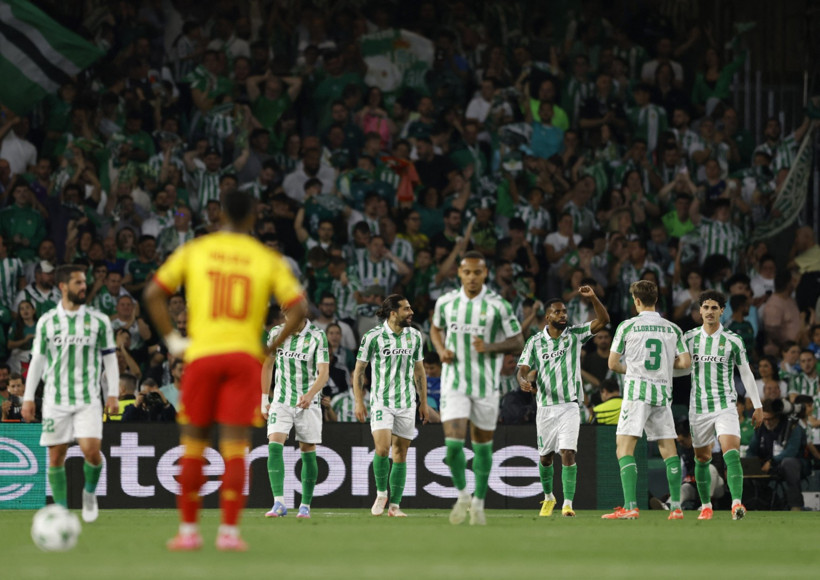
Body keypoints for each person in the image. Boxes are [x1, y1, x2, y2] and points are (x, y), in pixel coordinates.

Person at [144, 190, 307, 551]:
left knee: (193, 447)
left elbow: (154, 292)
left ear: (218, 216)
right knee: (235, 448)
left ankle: (188, 532)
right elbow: (298, 308)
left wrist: (173, 341)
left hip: (202, 356)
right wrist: (269, 348)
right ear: (252, 217)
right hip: (242, 360)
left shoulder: (196, 249)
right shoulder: (265, 258)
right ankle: (229, 534)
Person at [430, 250, 524, 525]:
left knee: (483, 449)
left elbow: (518, 341)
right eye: (467, 272)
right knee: (452, 446)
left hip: (486, 385)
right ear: (459, 273)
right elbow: (436, 328)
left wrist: (491, 347)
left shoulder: (499, 305)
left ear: (485, 274)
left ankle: (480, 504)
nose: (472, 277)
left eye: (477, 272)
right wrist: (441, 349)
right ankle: (462, 495)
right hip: (454, 383)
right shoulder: (446, 302)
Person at [21, 264, 119, 523]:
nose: (84, 286)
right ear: (63, 287)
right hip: (55, 398)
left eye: (84, 282)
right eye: (78, 282)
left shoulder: (98, 321)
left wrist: (113, 394)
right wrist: (29, 396)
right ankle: (62, 510)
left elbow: (110, 358)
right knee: (56, 455)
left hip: (88, 398)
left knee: (91, 452)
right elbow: (38, 361)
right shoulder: (47, 321)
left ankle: (89, 493)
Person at [517, 286, 609, 517]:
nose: (563, 316)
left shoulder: (575, 334)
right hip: (546, 407)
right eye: (558, 312)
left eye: (565, 312)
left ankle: (568, 503)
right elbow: (523, 369)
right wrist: (523, 380)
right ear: (548, 317)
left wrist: (593, 298)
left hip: (570, 405)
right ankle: (549, 497)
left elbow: (604, 320)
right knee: (545, 457)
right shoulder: (535, 342)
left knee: (568, 452)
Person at [603, 280, 691, 520]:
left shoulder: (627, 326)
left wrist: (633, 369)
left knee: (624, 449)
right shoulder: (673, 328)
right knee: (668, 448)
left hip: (637, 394)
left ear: (637, 301)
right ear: (657, 299)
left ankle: (630, 505)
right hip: (662, 393)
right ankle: (676, 508)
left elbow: (612, 363)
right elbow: (685, 363)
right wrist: (663, 367)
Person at [681, 290, 763, 520]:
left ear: (721, 311)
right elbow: (679, 366)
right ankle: (706, 505)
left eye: (714, 308)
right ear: (699, 311)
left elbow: (746, 373)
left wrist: (757, 405)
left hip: (725, 404)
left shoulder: (733, 340)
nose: (709, 311)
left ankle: (737, 503)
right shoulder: (688, 338)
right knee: (702, 458)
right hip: (698, 407)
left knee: (731, 454)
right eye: (705, 307)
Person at [353, 294, 429, 518]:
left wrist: (423, 401)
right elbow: (359, 370)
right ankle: (381, 493)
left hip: (406, 403)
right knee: (383, 448)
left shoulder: (415, 336)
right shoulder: (373, 337)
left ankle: (395, 506)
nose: (411, 312)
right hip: (381, 402)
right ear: (393, 313)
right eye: (406, 309)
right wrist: (359, 401)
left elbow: (419, 370)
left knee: (401, 453)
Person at [262, 307, 329, 520]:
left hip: (307, 402)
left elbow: (323, 373)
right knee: (274, 445)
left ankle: (305, 505)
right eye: (286, 313)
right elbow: (267, 366)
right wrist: (265, 398)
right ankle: (279, 502)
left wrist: (310, 394)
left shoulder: (318, 336)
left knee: (307, 449)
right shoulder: (276, 333)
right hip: (281, 400)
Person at [747, 398, 807, 511]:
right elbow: (751, 450)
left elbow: (791, 451)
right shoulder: (761, 428)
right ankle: (758, 505)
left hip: (795, 464)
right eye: (765, 420)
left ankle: (796, 505)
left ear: (778, 416)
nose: (767, 422)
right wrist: (751, 462)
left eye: (770, 419)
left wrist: (772, 461)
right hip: (766, 464)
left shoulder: (792, 427)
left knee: (789, 463)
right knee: (745, 466)